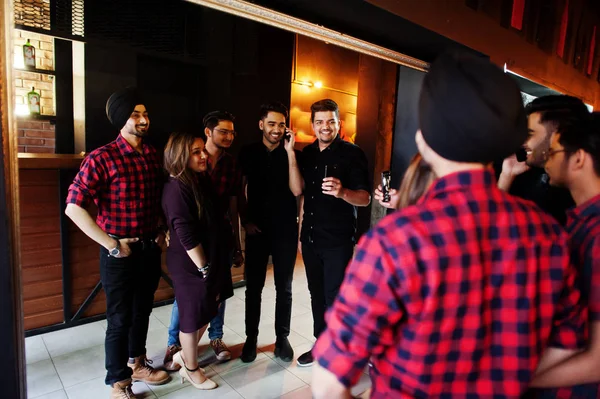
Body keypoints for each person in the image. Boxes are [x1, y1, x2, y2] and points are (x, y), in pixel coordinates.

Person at [311, 52, 585, 398]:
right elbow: (571, 342)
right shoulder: (548, 235)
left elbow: (328, 383)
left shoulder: (395, 240)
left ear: (424, 139)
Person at [65, 87, 169, 398]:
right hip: (119, 253)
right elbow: (73, 207)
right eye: (135, 114)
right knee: (119, 318)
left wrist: (163, 230)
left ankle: (137, 362)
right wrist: (111, 243)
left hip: (149, 248)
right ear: (120, 119)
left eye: (145, 114)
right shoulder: (102, 157)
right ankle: (119, 382)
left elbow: (159, 200)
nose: (143, 120)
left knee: (143, 311)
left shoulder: (152, 155)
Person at [527, 114, 600, 397]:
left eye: (554, 151)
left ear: (579, 158)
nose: (547, 158)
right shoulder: (581, 223)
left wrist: (511, 379)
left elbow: (596, 360)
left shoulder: (596, 236)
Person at [163, 111, 243, 369]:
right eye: (223, 131)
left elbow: (231, 205)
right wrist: (203, 265)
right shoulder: (181, 181)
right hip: (196, 255)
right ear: (208, 132)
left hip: (217, 242)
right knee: (190, 303)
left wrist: (235, 244)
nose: (229, 136)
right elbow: (182, 225)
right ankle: (178, 348)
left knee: (214, 300)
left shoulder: (211, 172)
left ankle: (210, 341)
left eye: (232, 132)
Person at [296, 99, 371, 367]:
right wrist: (300, 236)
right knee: (316, 293)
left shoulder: (352, 153)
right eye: (319, 122)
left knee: (335, 296)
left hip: (338, 240)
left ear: (340, 123)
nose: (325, 127)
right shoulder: (307, 154)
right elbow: (303, 197)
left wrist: (342, 192)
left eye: (330, 121)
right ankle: (322, 342)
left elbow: (364, 198)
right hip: (311, 237)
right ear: (312, 125)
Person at [238, 102, 303, 363]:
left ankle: (282, 339)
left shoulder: (292, 153)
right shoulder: (248, 152)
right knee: (253, 288)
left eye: (281, 124)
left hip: (285, 229)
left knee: (284, 287)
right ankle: (251, 339)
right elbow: (239, 190)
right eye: (272, 124)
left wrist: (289, 153)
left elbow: (297, 190)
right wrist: (245, 220)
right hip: (257, 229)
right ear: (261, 124)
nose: (277, 129)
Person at [497, 95, 589, 225]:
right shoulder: (523, 171)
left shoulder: (579, 198)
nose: (522, 141)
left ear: (558, 136)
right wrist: (506, 176)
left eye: (530, 134)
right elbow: (490, 226)